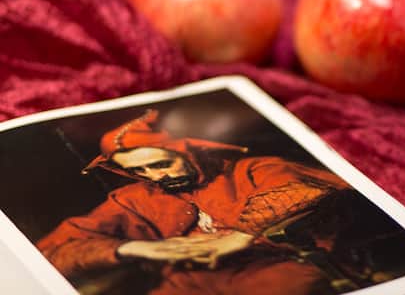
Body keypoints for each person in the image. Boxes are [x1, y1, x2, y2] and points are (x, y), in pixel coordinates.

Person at [37, 109, 353, 295]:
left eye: (161, 164)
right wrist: (131, 248)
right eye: (138, 171)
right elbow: (54, 251)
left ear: (186, 151)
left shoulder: (253, 169)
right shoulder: (133, 199)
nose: (153, 176)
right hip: (186, 283)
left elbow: (311, 188)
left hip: (276, 271)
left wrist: (243, 235)